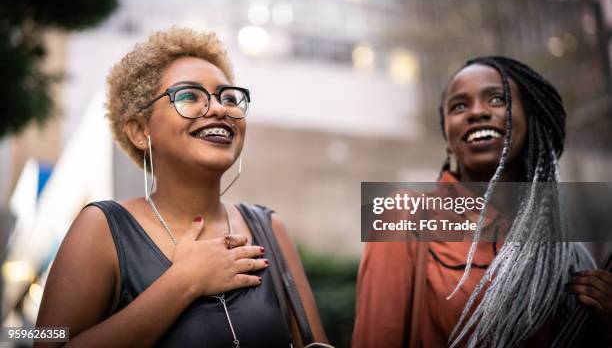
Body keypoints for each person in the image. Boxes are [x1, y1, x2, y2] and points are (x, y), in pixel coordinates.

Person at [36, 27, 328, 347]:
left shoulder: (270, 228)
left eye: (228, 97)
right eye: (189, 96)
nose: (218, 109)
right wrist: (184, 281)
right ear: (139, 131)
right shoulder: (101, 229)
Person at [352, 56, 612, 347]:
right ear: (448, 136)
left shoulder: (565, 249)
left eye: (497, 99)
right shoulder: (404, 214)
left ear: (531, 118)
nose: (476, 112)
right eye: (459, 106)